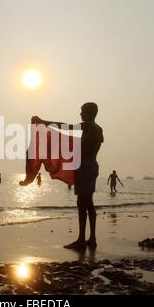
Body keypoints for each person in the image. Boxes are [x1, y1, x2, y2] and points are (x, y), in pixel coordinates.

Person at [32, 102, 104, 250]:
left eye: (82, 111)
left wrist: (43, 121)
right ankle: (92, 238)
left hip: (84, 166)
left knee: (81, 203)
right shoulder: (98, 129)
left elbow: (64, 126)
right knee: (89, 202)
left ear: (89, 113)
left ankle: (81, 240)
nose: (80, 113)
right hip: (93, 165)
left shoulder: (87, 126)